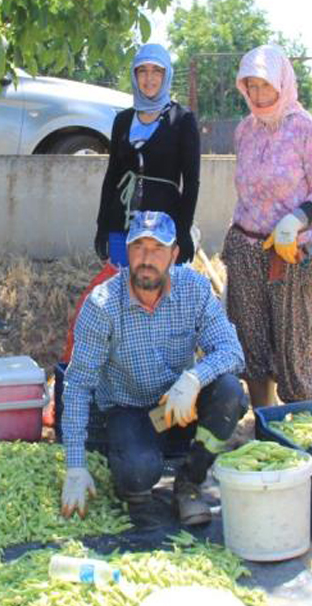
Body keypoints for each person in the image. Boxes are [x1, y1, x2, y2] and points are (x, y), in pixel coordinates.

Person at [60, 211, 248, 526]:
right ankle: (138, 475)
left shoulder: (195, 290)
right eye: (139, 247)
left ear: (174, 254)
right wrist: (75, 466)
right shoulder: (103, 304)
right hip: (130, 410)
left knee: (230, 393)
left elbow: (232, 351)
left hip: (182, 406)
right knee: (136, 473)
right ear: (127, 252)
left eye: (158, 249)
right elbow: (78, 385)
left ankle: (190, 480)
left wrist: (192, 379)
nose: (147, 258)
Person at [222, 44, 312, 408]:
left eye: (263, 85)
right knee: (251, 342)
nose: (256, 94)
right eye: (250, 86)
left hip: (290, 251)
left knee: (295, 343)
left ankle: (299, 426)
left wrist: (295, 219)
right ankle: (265, 425)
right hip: (246, 249)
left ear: (281, 83)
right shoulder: (245, 131)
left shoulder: (304, 129)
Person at [95, 44, 200, 268]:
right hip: (120, 225)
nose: (149, 78)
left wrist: (183, 231)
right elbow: (112, 176)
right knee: (123, 295)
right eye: (142, 70)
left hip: (162, 230)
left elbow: (191, 182)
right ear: (134, 75)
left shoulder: (182, 120)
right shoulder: (122, 120)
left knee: (157, 297)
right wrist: (101, 227)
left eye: (156, 71)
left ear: (166, 75)